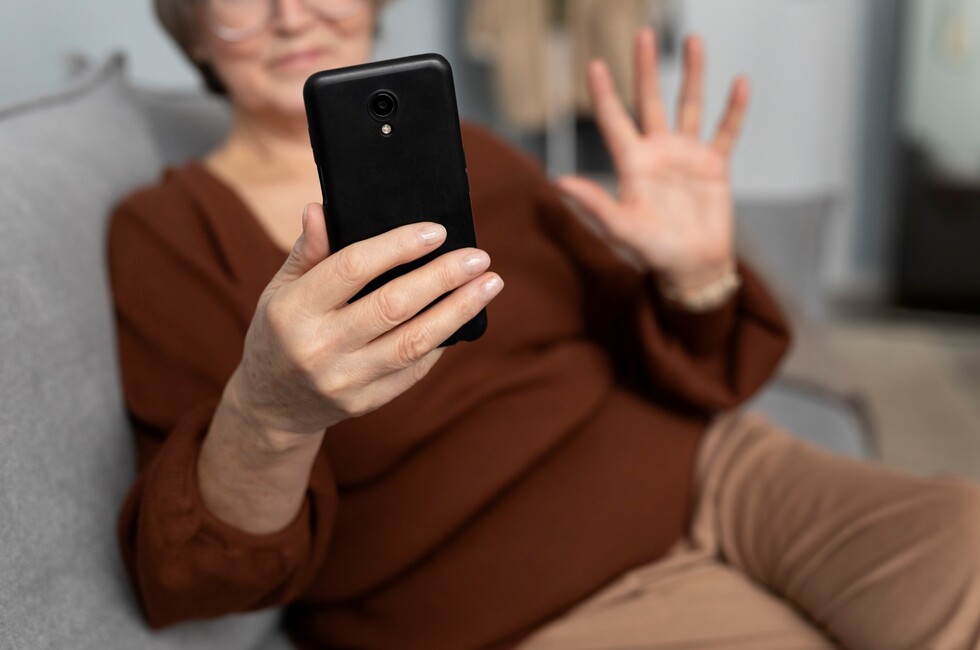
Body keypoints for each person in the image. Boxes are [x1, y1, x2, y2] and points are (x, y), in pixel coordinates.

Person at [108, 0, 980, 648]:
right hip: (529, 605)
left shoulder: (476, 154)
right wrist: (269, 410)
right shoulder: (171, 229)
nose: (292, 13)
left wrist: (695, 271)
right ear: (193, 28)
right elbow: (193, 575)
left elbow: (680, 355)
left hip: (719, 471)